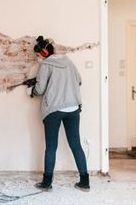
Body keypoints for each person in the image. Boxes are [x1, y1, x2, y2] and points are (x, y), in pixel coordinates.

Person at [29, 36, 90, 192]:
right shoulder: (69, 62)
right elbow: (79, 81)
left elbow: (40, 90)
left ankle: (47, 183)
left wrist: (33, 90)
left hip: (54, 110)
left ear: (43, 54)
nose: (37, 59)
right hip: (73, 108)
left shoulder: (45, 65)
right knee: (76, 145)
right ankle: (84, 181)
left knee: (51, 146)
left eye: (37, 56)